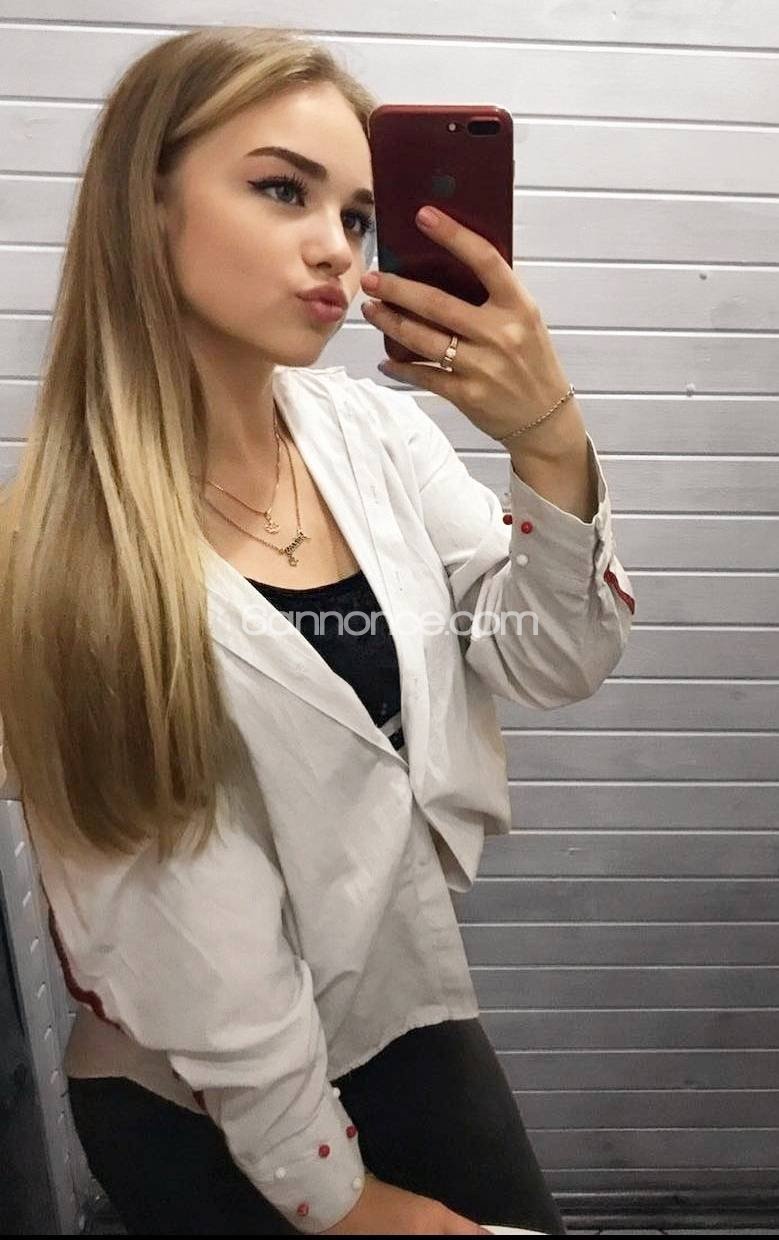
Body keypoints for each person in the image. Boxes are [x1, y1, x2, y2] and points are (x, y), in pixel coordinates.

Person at [0, 24, 635, 1236]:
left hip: (393, 1007)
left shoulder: (371, 435)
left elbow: (548, 656)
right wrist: (341, 1203)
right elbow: (198, 949)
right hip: (194, 1088)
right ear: (146, 206)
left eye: (355, 215)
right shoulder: (63, 558)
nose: (338, 251)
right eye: (281, 190)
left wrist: (546, 441)